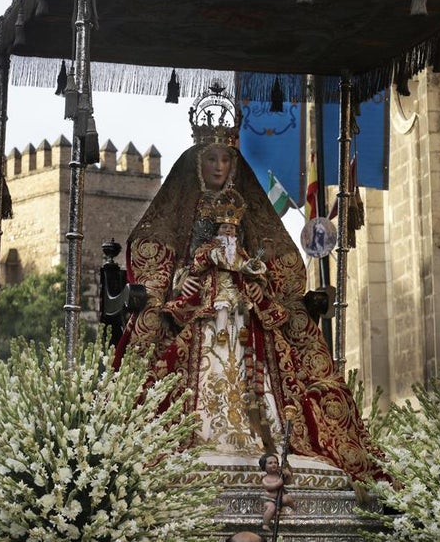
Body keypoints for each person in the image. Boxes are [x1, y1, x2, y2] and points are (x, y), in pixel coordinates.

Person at [114, 85, 384, 482]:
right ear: (197, 162)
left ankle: (269, 438)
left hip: (245, 307)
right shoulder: (183, 209)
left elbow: (272, 261)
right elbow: (166, 262)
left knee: (269, 354)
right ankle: (198, 436)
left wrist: (253, 274)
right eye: (212, 158)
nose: (220, 166)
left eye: (226, 158)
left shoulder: (248, 209)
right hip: (198, 305)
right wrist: (190, 274)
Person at [259, 452, 296, 529]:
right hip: (269, 499)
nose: (273, 464)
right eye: (270, 463)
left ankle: (293, 506)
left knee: (286, 498)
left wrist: (288, 475)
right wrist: (278, 483)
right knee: (271, 508)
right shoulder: (265, 478)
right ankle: (265, 524)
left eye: (275, 462)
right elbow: (269, 487)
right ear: (264, 466)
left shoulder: (280, 475)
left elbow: (287, 482)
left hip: (280, 498)